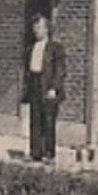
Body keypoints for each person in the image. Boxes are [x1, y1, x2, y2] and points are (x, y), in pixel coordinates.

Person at [23, 14, 66, 162]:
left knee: (48, 121)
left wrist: (54, 87)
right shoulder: (31, 47)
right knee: (35, 120)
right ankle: (36, 152)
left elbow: (60, 70)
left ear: (47, 29)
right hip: (35, 85)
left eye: (40, 27)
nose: (37, 30)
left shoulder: (55, 48)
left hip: (48, 87)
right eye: (35, 27)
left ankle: (49, 153)